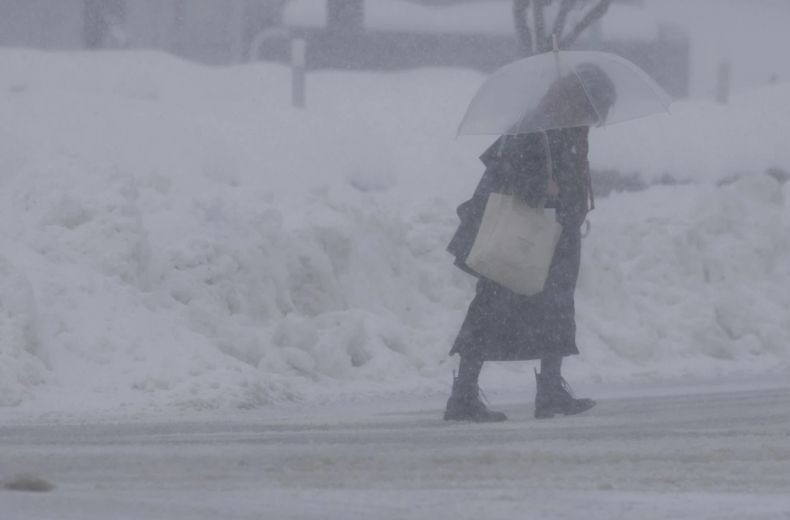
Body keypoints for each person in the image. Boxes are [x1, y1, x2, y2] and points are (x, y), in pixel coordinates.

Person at [444, 64, 616, 422]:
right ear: (581, 99)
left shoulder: (568, 126)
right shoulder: (536, 126)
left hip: (553, 235)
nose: (597, 119)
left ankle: (550, 391)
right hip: (521, 237)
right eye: (596, 108)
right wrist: (543, 188)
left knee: (554, 312)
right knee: (491, 309)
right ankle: (463, 395)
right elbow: (507, 173)